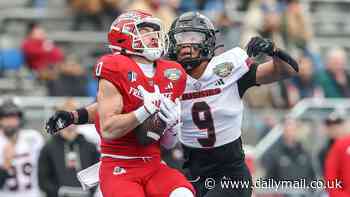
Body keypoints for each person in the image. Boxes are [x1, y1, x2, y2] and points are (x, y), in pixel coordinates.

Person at [45, 11, 299, 197]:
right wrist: (75, 116)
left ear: (208, 41)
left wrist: (274, 51)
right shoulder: (168, 74)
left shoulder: (228, 71)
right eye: (182, 37)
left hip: (229, 168)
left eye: (193, 37)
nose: (187, 45)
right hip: (189, 165)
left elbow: (285, 72)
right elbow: (115, 107)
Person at [48, 10, 195, 197]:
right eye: (145, 30)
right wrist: (145, 110)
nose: (153, 36)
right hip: (120, 166)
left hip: (153, 163)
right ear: (123, 36)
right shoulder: (115, 66)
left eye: (154, 30)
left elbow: (167, 142)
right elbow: (109, 127)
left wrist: (172, 127)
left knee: (183, 194)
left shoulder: (172, 72)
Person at [38, 99, 100, 197]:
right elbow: (43, 179)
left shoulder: (90, 147)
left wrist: (88, 192)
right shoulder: (48, 148)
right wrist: (59, 192)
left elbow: (97, 174)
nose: (69, 123)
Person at [0, 99, 44, 197]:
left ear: (20, 119)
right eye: (5, 117)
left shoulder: (33, 138)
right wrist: (6, 164)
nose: (10, 122)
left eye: (13, 117)